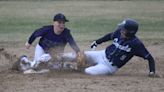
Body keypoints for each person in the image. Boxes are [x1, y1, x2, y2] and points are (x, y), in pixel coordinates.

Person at [83, 18, 156, 77]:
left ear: (130, 32)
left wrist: (152, 72)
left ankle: (79, 69)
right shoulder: (119, 32)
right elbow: (109, 36)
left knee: (88, 71)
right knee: (79, 55)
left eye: (124, 29)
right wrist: (97, 42)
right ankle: (74, 67)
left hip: (108, 67)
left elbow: (150, 58)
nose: (121, 30)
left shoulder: (136, 44)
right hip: (101, 54)